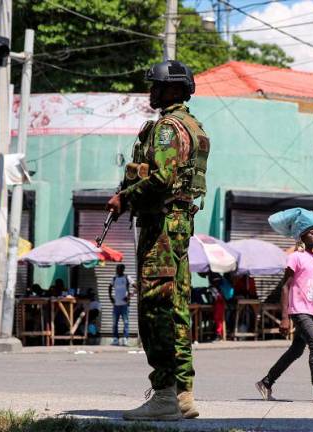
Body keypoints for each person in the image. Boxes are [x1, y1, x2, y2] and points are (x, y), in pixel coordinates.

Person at [107, 60, 208, 421]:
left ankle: (164, 394)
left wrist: (126, 197)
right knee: (177, 307)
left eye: (158, 86)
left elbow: (163, 176)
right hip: (179, 224)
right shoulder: (192, 126)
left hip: (161, 225)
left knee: (155, 308)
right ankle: (183, 394)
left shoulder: (167, 128)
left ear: (175, 90)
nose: (151, 91)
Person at [256, 208, 313, 404]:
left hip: (311, 311)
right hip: (299, 310)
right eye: (312, 232)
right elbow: (285, 287)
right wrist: (285, 317)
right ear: (302, 235)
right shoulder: (295, 257)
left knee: (296, 350)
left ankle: (266, 382)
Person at [108, 264, 135, 346]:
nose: (117, 270)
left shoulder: (127, 278)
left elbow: (136, 286)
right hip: (116, 304)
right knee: (114, 323)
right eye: (117, 269)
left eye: (119, 269)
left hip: (125, 305)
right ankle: (115, 339)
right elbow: (109, 287)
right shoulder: (114, 278)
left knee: (126, 322)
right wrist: (111, 298)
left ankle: (125, 339)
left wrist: (130, 296)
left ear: (123, 269)